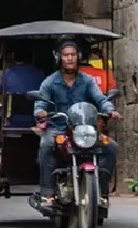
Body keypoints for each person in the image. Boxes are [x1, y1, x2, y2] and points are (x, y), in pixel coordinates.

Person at [33, 38, 120, 207]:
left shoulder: (87, 81)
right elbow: (40, 104)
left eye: (73, 55)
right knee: (45, 145)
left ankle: (101, 193)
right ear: (59, 58)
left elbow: (101, 99)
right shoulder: (50, 82)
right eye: (66, 55)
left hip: (84, 129)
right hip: (58, 129)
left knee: (111, 147)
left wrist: (110, 110)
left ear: (78, 57)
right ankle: (47, 194)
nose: (70, 58)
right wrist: (40, 112)